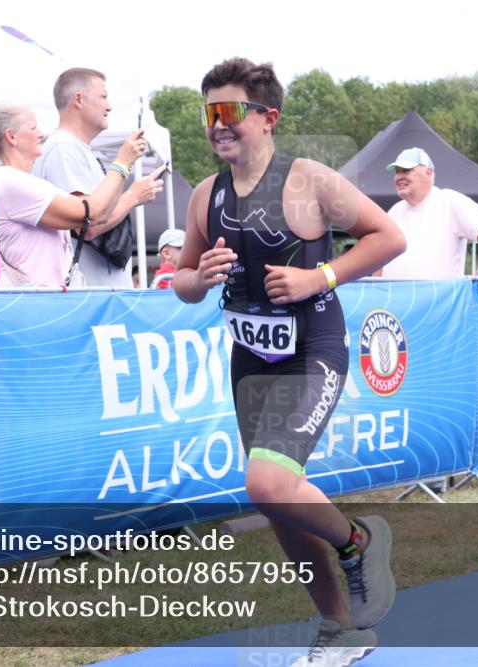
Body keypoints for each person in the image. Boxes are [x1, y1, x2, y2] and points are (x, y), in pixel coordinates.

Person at [173, 58, 407, 667]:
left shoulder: (309, 180)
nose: (216, 126)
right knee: (278, 506)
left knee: (269, 483)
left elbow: (388, 237)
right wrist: (200, 275)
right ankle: (340, 629)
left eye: (228, 112)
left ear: (268, 117)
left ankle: (359, 541)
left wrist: (317, 277)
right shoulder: (207, 195)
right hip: (250, 358)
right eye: (209, 114)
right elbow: (182, 282)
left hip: (312, 349)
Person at [0, 103, 147, 287]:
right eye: (33, 127)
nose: (40, 134)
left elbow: (96, 213)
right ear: (12, 136)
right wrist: (122, 163)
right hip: (37, 305)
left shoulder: (21, 182)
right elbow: (90, 213)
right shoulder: (11, 183)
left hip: (45, 303)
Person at [32, 68, 166, 287]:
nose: (109, 106)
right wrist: (133, 195)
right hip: (89, 297)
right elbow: (86, 225)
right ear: (78, 99)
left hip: (97, 295)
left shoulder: (74, 149)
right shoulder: (63, 149)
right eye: (103, 96)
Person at [377, 147, 478, 293]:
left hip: (440, 307)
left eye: (406, 170)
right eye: (397, 171)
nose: (399, 176)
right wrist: (377, 286)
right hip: (397, 305)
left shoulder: (449, 200)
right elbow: (379, 253)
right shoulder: (394, 211)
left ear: (428, 173)